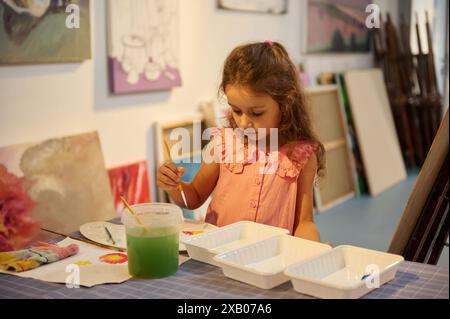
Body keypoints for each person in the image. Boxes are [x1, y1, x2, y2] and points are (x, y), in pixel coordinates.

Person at [157, 41, 325, 242]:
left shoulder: (300, 155)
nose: (244, 122)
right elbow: (193, 198)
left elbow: (304, 223)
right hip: (217, 253)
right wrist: (174, 186)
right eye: (236, 110)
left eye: (256, 112)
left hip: (269, 261)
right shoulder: (223, 144)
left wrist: (313, 250)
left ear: (285, 104)